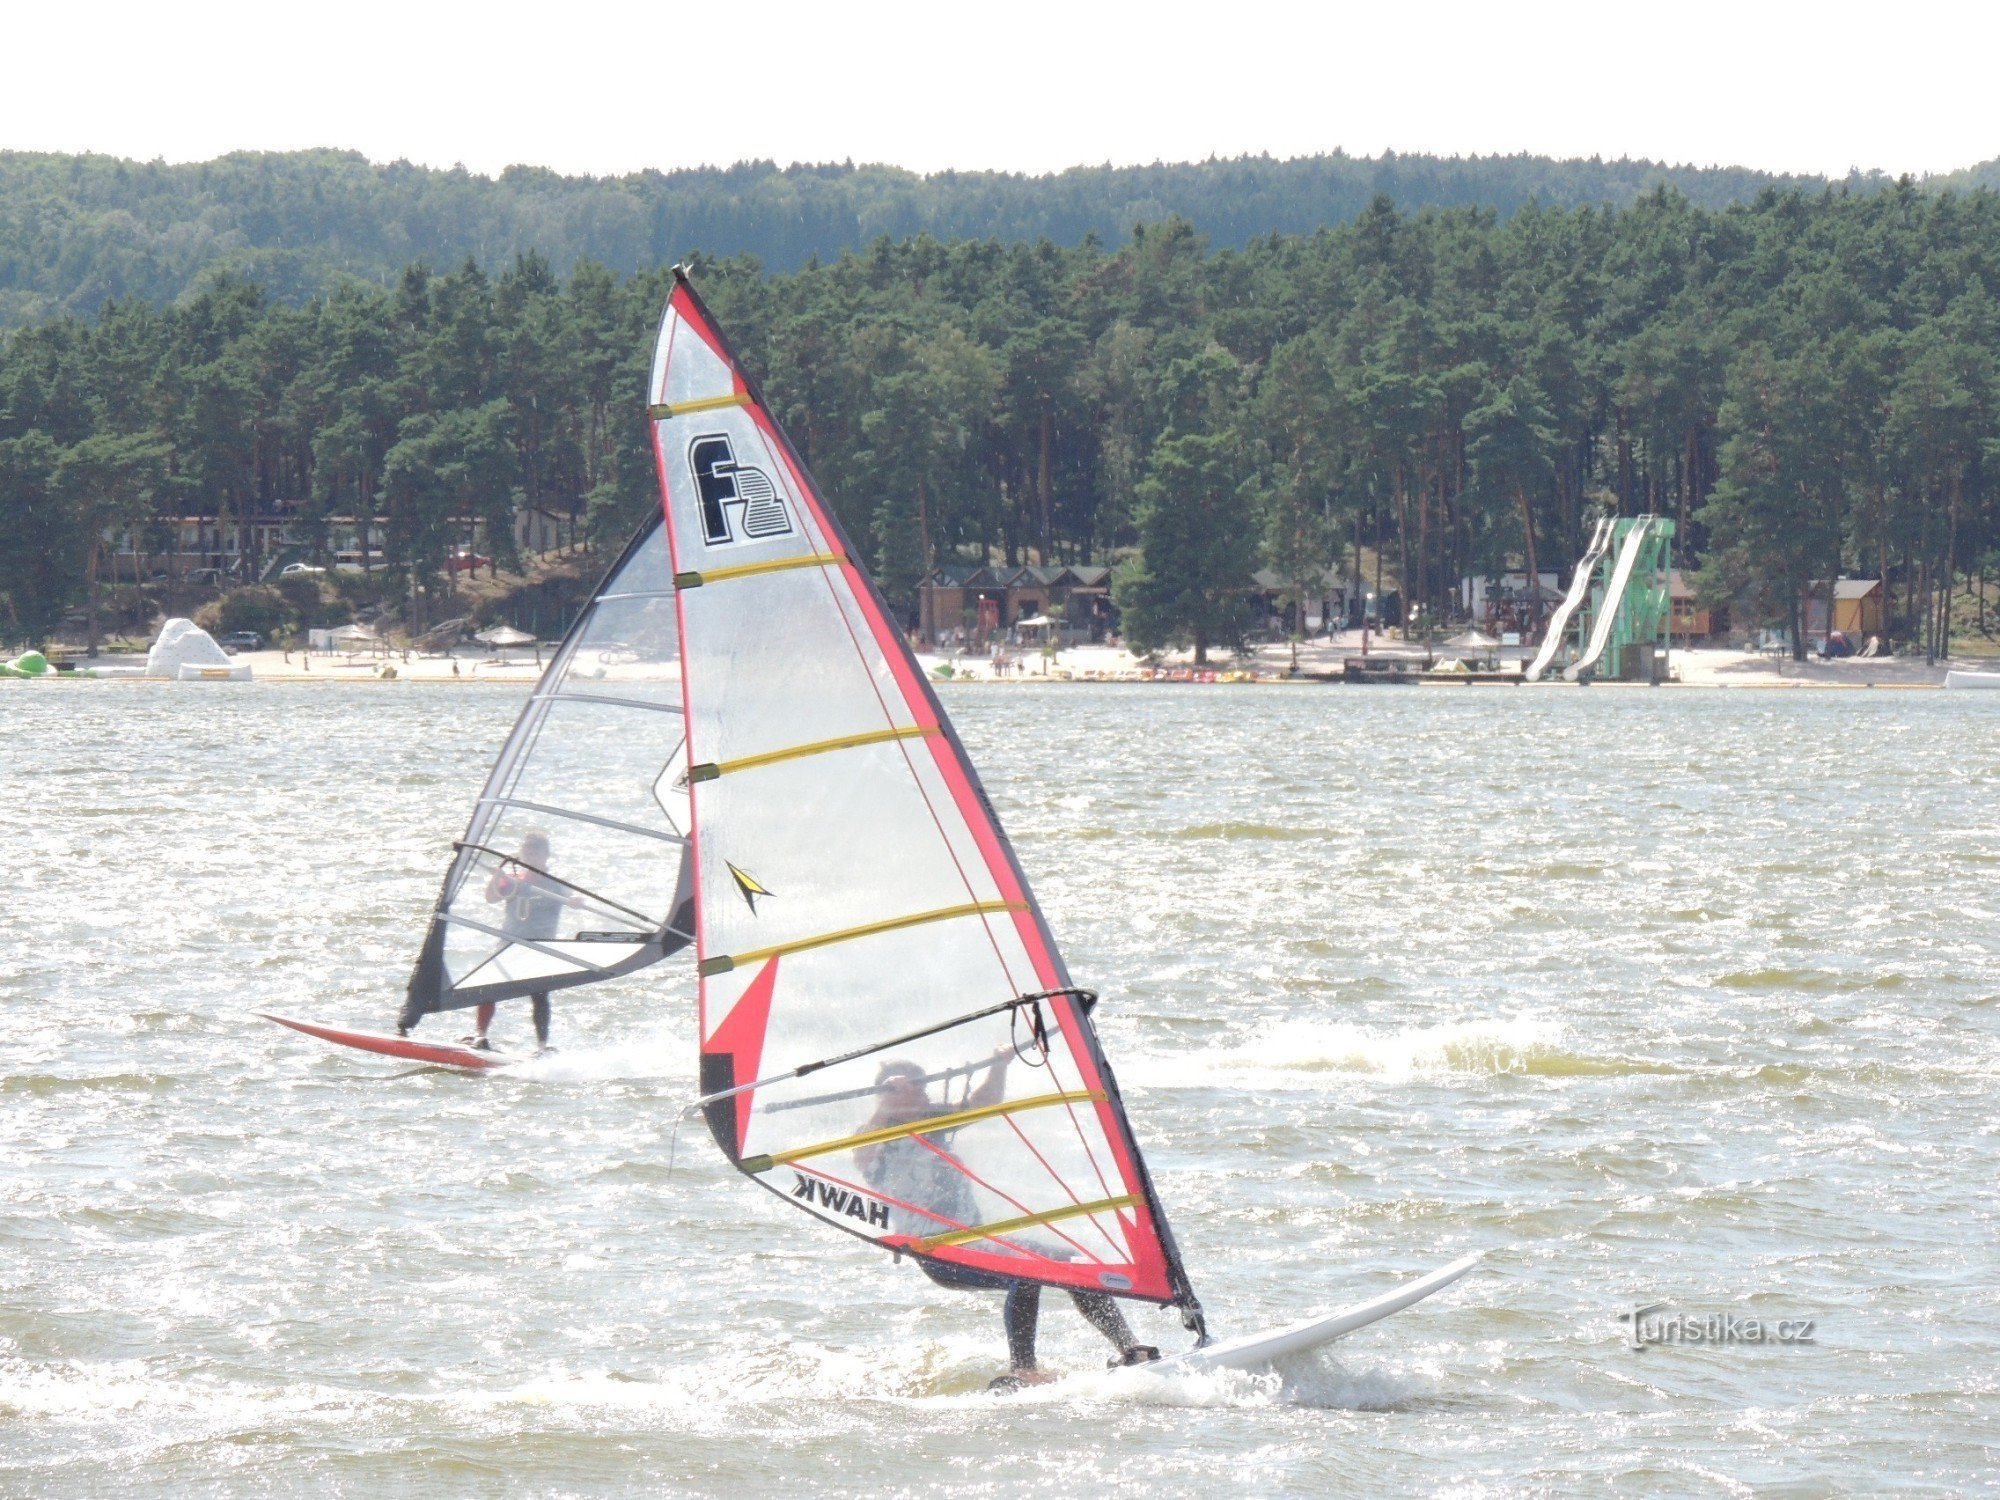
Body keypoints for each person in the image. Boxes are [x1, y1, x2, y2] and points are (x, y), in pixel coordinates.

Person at [855, 1050, 1158, 1385]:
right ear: (888, 1096)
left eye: (923, 1089)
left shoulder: (934, 1126)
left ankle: (1129, 1349)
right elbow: (863, 1154)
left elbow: (982, 1101)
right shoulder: (873, 1138)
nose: (925, 1095)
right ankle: (1023, 1369)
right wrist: (885, 1102)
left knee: (1070, 1261)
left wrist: (999, 1064)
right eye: (915, 1090)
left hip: (980, 1242)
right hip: (939, 1252)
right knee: (1024, 1272)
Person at [470, 830, 578, 1052]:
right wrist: (496, 878)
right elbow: (491, 899)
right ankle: (480, 1036)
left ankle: (542, 1045)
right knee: (487, 988)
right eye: (527, 855)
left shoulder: (556, 884)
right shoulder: (514, 881)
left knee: (539, 996)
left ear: (546, 856)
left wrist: (576, 900)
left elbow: (574, 899)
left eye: (535, 855)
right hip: (508, 943)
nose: (530, 859)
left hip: (539, 947)